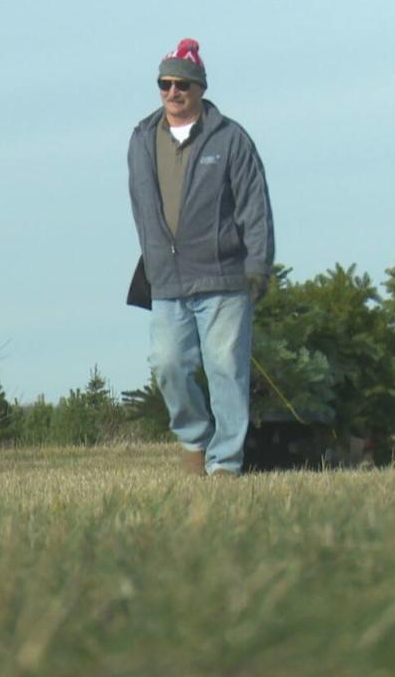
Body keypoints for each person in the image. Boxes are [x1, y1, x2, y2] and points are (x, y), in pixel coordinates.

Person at [126, 38, 274, 477]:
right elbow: (141, 208)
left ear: (200, 89)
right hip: (167, 278)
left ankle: (225, 464)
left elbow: (255, 206)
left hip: (224, 276)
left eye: (182, 85)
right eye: (165, 83)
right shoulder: (140, 139)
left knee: (226, 369)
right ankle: (194, 440)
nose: (173, 92)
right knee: (168, 365)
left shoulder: (231, 139)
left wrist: (258, 264)